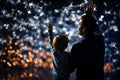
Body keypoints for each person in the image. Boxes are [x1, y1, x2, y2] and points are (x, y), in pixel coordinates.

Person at [69, 3, 105, 80]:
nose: (78, 27)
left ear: (83, 28)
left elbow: (70, 69)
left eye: (79, 24)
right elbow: (95, 27)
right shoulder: (100, 40)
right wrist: (88, 16)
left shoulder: (77, 46)